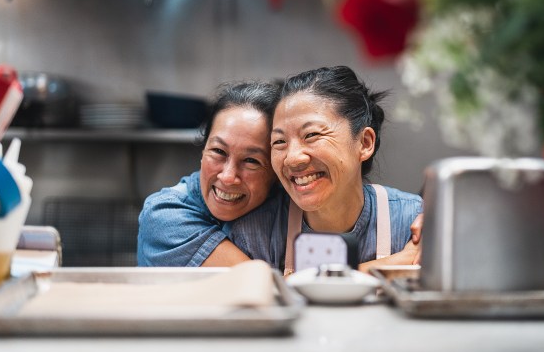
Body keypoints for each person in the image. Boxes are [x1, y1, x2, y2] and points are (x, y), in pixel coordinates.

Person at [229, 65, 423, 274]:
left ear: (365, 143)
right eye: (279, 141)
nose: (293, 158)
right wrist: (399, 262)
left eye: (311, 135)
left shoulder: (414, 221)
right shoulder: (253, 235)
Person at [137, 81, 281, 267]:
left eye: (251, 161)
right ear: (203, 151)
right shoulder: (164, 216)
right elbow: (259, 283)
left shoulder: (286, 206)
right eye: (219, 152)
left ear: (277, 171)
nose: (228, 177)